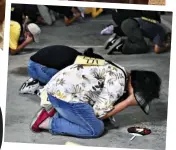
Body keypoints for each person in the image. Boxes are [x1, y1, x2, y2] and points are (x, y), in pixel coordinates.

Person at [30, 57, 161, 138]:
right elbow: (98, 114)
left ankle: (59, 113)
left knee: (97, 120)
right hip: (64, 97)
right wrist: (126, 102)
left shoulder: (121, 71)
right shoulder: (118, 82)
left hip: (58, 91)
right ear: (137, 87)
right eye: (139, 97)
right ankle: (47, 122)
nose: (137, 101)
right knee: (95, 128)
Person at [19, 45, 103, 94]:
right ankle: (41, 87)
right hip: (34, 67)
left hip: (35, 63)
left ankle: (38, 80)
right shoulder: (72, 65)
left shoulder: (77, 55)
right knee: (62, 84)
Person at [105, 10, 171, 54]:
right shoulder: (162, 33)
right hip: (132, 25)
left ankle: (113, 41)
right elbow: (157, 50)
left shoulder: (159, 27)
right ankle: (121, 46)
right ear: (168, 37)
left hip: (129, 22)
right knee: (142, 47)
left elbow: (151, 39)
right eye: (169, 40)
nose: (168, 41)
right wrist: (167, 46)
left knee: (136, 40)